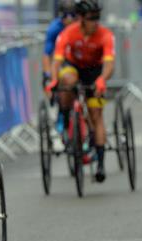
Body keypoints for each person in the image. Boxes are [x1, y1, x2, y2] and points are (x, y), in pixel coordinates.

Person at [45, 0, 115, 183]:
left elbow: (109, 64)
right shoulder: (69, 33)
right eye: (92, 18)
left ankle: (100, 164)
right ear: (82, 19)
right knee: (66, 81)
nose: (96, 21)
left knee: (96, 115)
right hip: (73, 67)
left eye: (98, 18)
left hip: (94, 72)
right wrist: (53, 80)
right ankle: (67, 116)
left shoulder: (105, 35)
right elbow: (57, 60)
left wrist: (102, 79)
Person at [42, 0, 77, 134]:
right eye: (65, 16)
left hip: (77, 61)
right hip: (60, 61)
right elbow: (47, 55)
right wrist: (47, 75)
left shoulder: (80, 27)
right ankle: (61, 112)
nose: (69, 19)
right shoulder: (54, 28)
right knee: (54, 86)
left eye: (72, 15)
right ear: (60, 16)